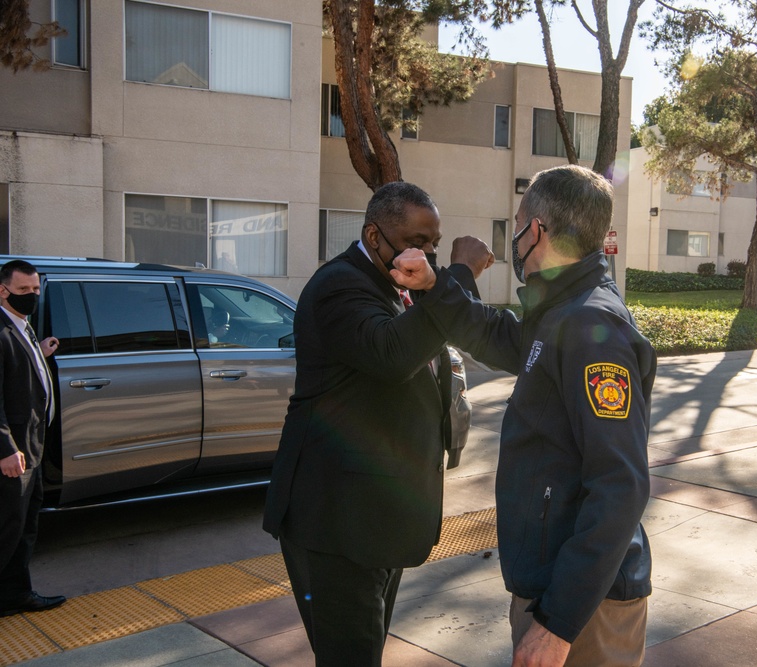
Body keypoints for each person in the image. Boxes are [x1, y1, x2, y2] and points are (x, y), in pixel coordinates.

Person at [393, 165, 655, 666]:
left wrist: (557, 624)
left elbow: (620, 485)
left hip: (583, 608)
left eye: (516, 223)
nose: (512, 237)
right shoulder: (561, 313)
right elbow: (497, 336)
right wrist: (434, 284)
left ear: (535, 230)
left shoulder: (587, 324)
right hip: (558, 589)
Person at [261, 182, 492, 666]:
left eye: (433, 243)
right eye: (417, 240)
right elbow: (392, 354)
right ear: (373, 234)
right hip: (337, 523)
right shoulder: (339, 286)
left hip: (376, 519)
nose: (427, 252)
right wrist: (458, 277)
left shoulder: (393, 287)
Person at [0, 260, 66, 617]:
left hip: (33, 449)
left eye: (35, 290)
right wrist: (5, 449)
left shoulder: (21, 328)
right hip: (14, 454)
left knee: (25, 526)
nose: (32, 296)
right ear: (3, 290)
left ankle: (15, 594)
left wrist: (39, 354)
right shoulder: (1, 330)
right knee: (7, 530)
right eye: (23, 290)